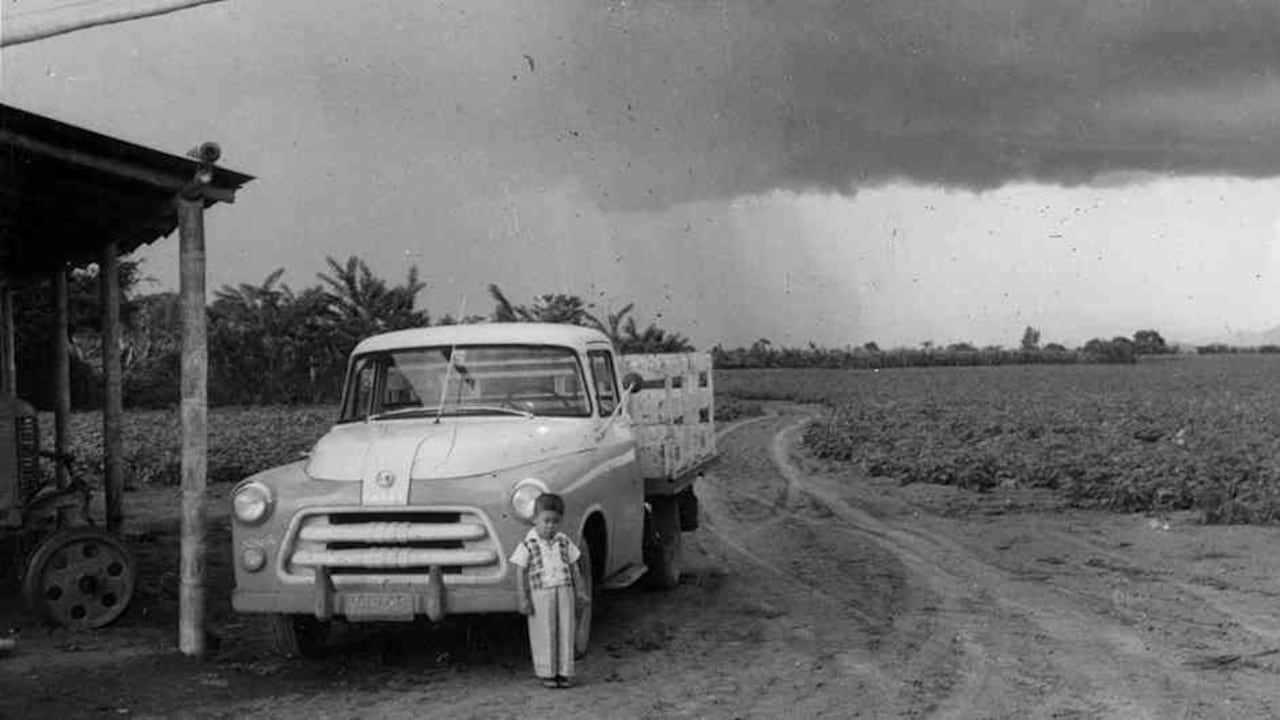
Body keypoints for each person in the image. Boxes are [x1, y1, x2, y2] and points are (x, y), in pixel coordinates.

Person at [510, 493, 590, 688]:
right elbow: (520, 571)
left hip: (564, 591)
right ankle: (547, 672)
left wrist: (580, 591)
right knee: (544, 631)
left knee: (565, 629)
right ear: (535, 519)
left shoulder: (564, 541)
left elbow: (574, 567)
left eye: (555, 521)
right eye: (545, 521)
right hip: (540, 594)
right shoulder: (528, 544)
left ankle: (564, 672)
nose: (550, 526)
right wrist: (523, 598)